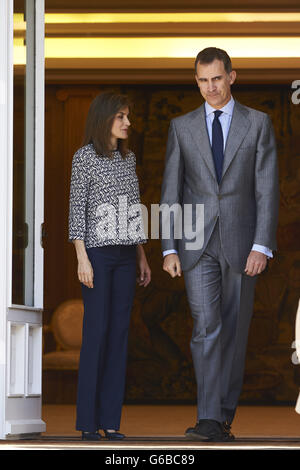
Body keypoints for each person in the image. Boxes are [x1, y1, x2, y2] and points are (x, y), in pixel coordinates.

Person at [160, 47, 279, 441]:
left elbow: (266, 189)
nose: (210, 87)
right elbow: (171, 191)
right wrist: (169, 247)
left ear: (231, 76)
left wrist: (262, 245)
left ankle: (223, 415)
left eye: (216, 78)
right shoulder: (182, 127)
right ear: (196, 81)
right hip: (195, 243)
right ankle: (209, 416)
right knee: (206, 326)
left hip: (244, 243)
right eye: (202, 80)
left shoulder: (258, 124)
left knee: (235, 330)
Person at [68, 92, 151, 441]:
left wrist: (141, 256)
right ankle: (88, 421)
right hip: (98, 256)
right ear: (105, 119)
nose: (127, 123)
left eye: (128, 116)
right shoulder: (84, 158)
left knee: (119, 336)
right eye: (121, 117)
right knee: (96, 335)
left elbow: (133, 210)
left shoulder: (127, 159)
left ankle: (111, 422)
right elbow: (77, 211)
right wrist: (81, 258)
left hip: (125, 256)